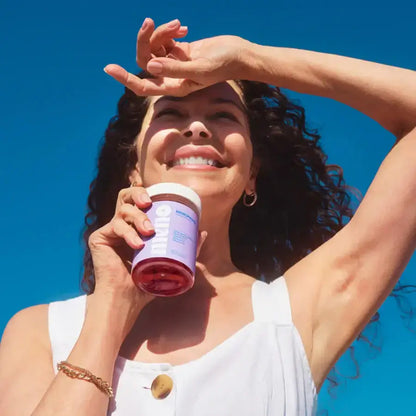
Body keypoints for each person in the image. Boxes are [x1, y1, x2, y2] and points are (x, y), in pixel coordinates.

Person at [0, 17, 415, 416]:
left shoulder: (296, 314)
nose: (197, 127)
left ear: (251, 174)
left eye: (222, 115)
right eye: (170, 113)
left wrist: (248, 58)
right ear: (134, 166)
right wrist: (110, 310)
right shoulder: (40, 331)